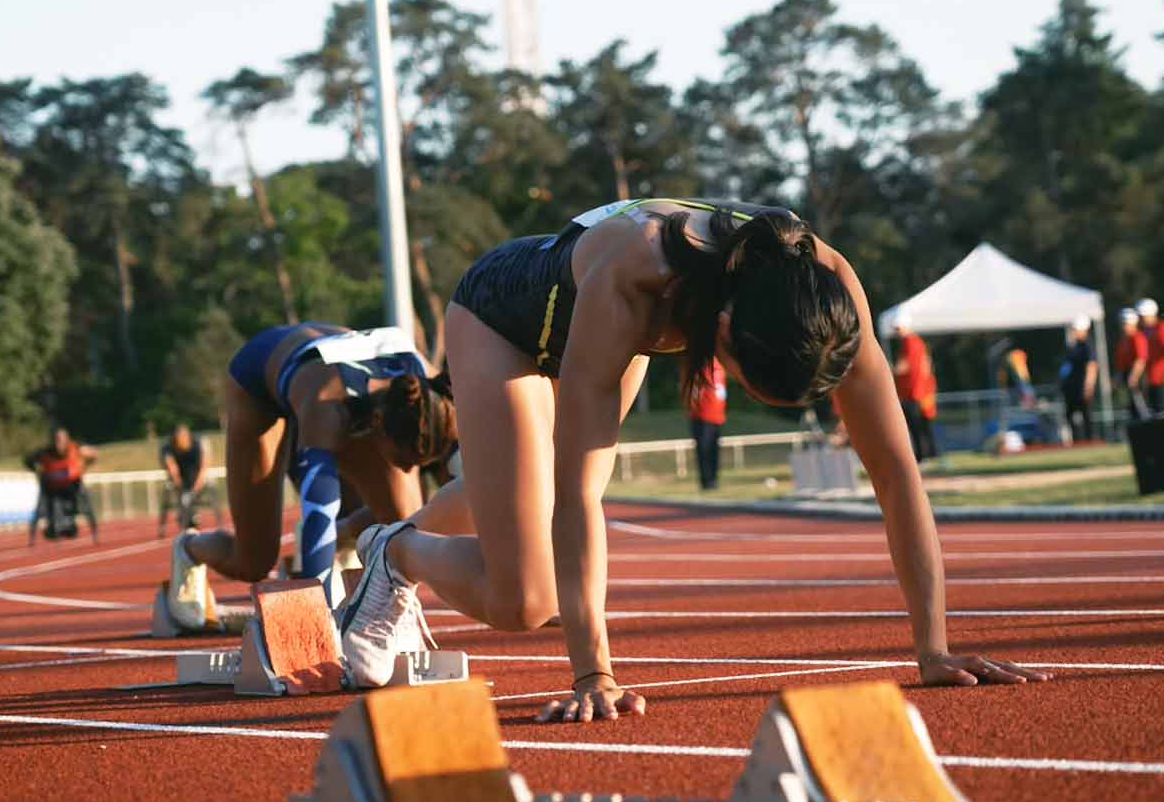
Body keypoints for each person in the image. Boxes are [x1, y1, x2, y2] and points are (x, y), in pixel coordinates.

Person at [334, 198, 1048, 721]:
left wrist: (934, 646)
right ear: (727, 333)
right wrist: (594, 672)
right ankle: (399, 554)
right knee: (528, 598)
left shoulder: (825, 292)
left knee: (523, 508)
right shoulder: (635, 280)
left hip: (613, 326)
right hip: (505, 319)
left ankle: (398, 539)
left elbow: (895, 474)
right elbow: (579, 495)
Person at [164, 323, 458, 630]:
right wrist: (315, 615)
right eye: (404, 460)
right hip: (262, 385)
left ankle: (342, 539)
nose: (410, 471)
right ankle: (189, 548)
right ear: (377, 424)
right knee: (254, 561)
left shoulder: (436, 399)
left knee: (406, 524)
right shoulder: (326, 408)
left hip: (356, 387)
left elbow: (463, 494)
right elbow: (318, 514)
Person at [25, 427, 100, 544]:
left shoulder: (76, 447)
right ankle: (32, 539)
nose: (59, 443)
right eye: (57, 440)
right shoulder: (45, 452)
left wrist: (85, 466)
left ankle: (95, 535)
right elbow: (28, 460)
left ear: (67, 440)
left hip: (73, 483)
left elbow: (93, 454)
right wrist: (38, 472)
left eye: (62, 439)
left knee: (86, 506)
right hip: (52, 485)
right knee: (41, 508)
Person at [891, 317, 939, 462]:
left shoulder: (908, 342)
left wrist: (889, 372)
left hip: (911, 391)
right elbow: (926, 364)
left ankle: (921, 455)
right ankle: (931, 454)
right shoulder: (919, 342)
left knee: (915, 425)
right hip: (921, 391)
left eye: (898, 329)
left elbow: (904, 365)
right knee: (924, 424)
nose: (897, 332)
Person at [158, 423, 217, 535]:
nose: (182, 440)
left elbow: (204, 467)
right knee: (181, 497)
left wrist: (195, 490)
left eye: (184, 437)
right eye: (179, 438)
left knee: (193, 496)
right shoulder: (167, 447)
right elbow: (172, 468)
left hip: (197, 478)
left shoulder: (199, 444)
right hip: (181, 480)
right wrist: (181, 489)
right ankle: (184, 518)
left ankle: (192, 515)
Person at [687, 361, 727, 490]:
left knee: (714, 451)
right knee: (704, 452)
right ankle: (706, 482)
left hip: (717, 417)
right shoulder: (699, 368)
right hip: (702, 417)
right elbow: (693, 392)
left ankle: (714, 481)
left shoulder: (720, 367)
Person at [1059, 316, 1097, 443]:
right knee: (1070, 415)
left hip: (1082, 387)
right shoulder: (1073, 347)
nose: (1073, 332)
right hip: (1072, 388)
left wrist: (1088, 386)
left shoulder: (1087, 346)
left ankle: (1089, 441)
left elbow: (1092, 366)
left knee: (1086, 416)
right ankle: (1077, 442)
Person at [1136, 298, 1164, 418]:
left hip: (1162, 377)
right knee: (1155, 413)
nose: (1140, 319)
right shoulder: (1143, 331)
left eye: (1142, 316)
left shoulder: (1163, 327)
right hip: (1151, 378)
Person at [1113, 308, 1149, 419]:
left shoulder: (1137, 337)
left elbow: (1141, 359)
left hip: (1137, 376)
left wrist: (1134, 376)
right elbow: (1120, 363)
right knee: (1131, 408)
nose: (1124, 326)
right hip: (1127, 375)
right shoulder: (1123, 339)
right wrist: (1117, 378)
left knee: (1140, 407)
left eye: (1126, 323)